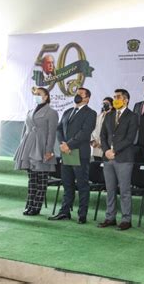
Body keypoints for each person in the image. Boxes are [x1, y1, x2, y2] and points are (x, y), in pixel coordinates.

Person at [49, 87, 96, 224]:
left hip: (79, 153)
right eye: (76, 93)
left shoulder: (90, 113)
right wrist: (63, 144)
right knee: (67, 184)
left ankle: (82, 214)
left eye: (81, 94)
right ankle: (64, 212)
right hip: (66, 153)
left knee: (82, 185)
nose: (77, 95)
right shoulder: (68, 111)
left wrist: (69, 145)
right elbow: (59, 129)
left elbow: (85, 132)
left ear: (87, 98)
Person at [98, 89, 139, 231]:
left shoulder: (132, 116)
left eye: (118, 97)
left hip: (124, 158)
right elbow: (102, 136)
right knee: (110, 189)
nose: (115, 99)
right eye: (114, 97)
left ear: (126, 99)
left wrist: (114, 150)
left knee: (124, 190)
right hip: (108, 157)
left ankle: (126, 219)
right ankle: (110, 217)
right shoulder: (109, 115)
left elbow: (130, 138)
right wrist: (106, 150)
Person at [14, 87, 59, 216]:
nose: (36, 96)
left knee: (41, 180)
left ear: (46, 97)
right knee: (32, 179)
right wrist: (22, 147)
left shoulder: (51, 113)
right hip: (28, 148)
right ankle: (29, 205)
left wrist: (49, 150)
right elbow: (24, 131)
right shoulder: (30, 111)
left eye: (39, 94)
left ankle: (36, 207)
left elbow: (51, 134)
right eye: (35, 94)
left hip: (42, 149)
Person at [91, 97, 113, 161]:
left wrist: (102, 143)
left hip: (107, 148)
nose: (104, 105)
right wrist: (93, 141)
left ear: (111, 105)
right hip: (96, 148)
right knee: (97, 167)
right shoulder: (98, 117)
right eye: (103, 103)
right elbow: (91, 130)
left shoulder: (114, 117)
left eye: (106, 103)